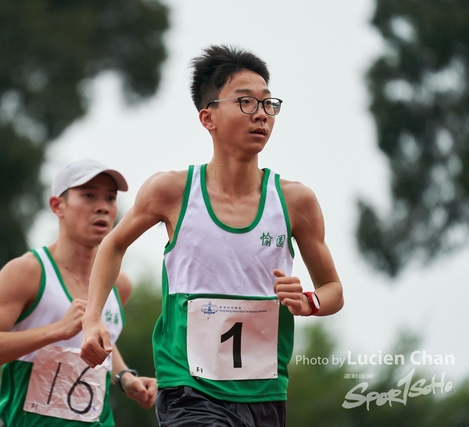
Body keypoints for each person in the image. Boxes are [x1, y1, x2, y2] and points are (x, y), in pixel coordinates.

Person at [80, 45, 345, 427]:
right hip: (189, 387)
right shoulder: (170, 191)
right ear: (208, 118)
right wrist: (93, 320)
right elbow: (114, 244)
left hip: (265, 393)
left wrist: (309, 301)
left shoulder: (295, 201)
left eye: (268, 104)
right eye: (245, 102)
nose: (261, 114)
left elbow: (333, 288)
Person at [0, 159, 157, 426]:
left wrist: (125, 377)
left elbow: (102, 342)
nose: (102, 206)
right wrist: (57, 330)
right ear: (57, 206)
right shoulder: (27, 272)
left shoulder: (119, 285)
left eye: (110, 198)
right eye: (89, 195)